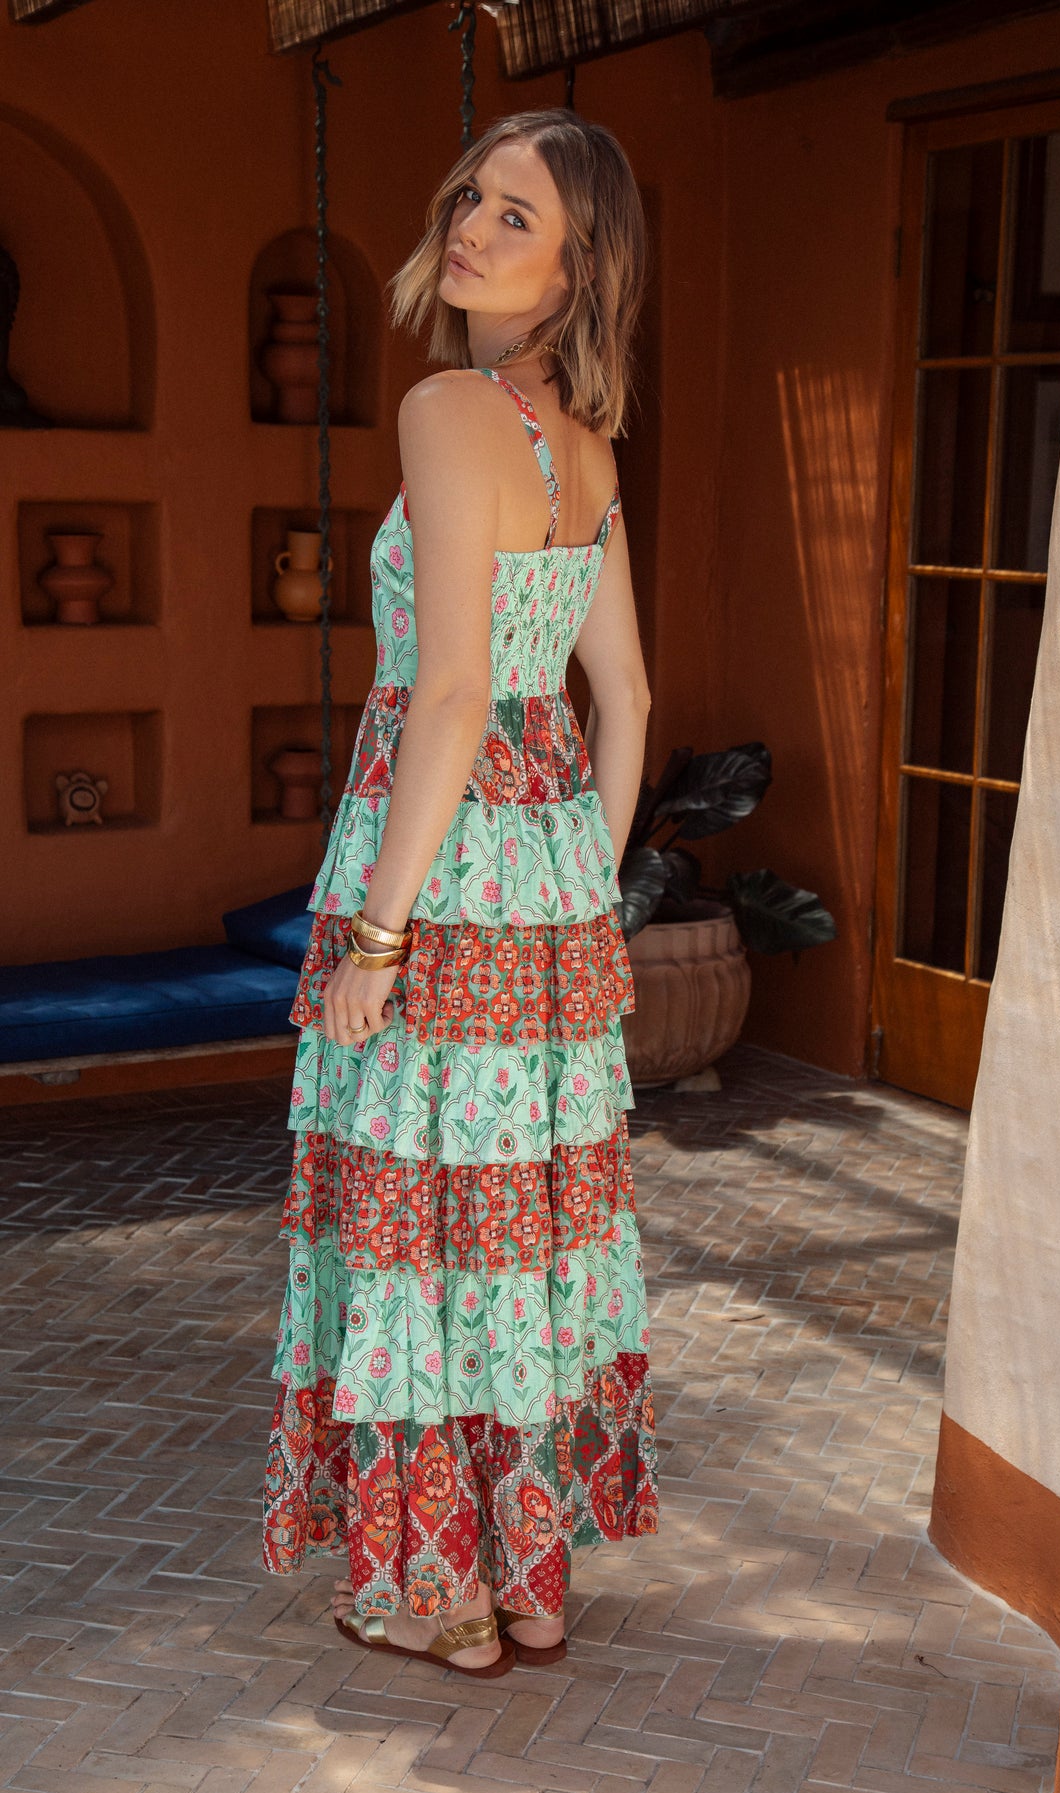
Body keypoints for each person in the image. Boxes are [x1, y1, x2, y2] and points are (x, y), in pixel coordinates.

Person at [260, 107, 659, 1678]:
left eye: (517, 216)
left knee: (421, 1231)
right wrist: (577, 899)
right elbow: (623, 699)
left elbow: (444, 696)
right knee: (515, 1236)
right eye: (473, 198)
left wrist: (379, 936)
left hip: (429, 871)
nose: (474, 229)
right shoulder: (587, 445)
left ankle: (438, 1594)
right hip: (546, 893)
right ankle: (532, 1581)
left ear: (579, 264)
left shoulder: (444, 408)